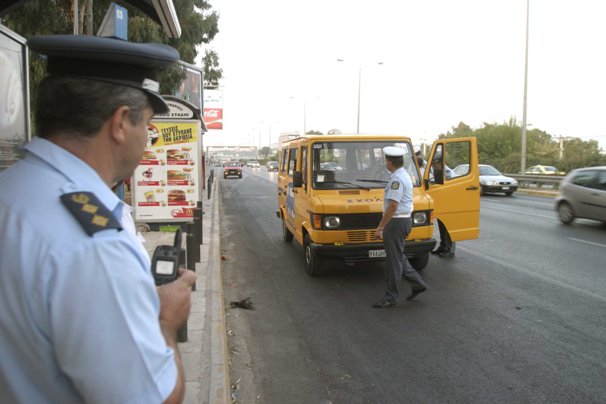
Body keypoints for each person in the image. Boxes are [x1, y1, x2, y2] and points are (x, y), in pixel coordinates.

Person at [0, 35, 197, 403]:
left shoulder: (12, 190)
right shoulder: (94, 247)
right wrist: (165, 323)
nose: (149, 139)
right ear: (121, 123)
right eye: (148, 126)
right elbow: (157, 397)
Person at [372, 146, 428, 308]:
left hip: (396, 222)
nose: (385, 163)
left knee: (392, 262)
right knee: (398, 257)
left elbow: (393, 206)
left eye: (386, 161)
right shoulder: (402, 175)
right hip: (403, 221)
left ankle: (391, 297)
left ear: (390, 163)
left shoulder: (397, 179)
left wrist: (380, 227)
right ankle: (418, 284)